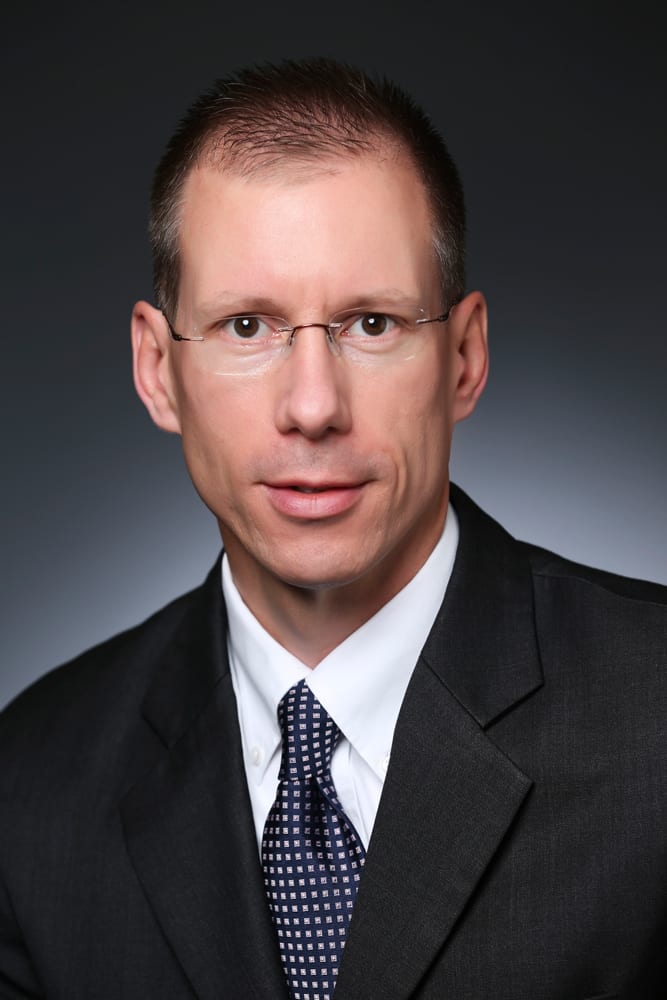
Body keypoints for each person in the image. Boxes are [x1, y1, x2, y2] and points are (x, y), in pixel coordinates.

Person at [0, 58, 664, 1000]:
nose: (312, 407)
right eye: (244, 327)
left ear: (464, 357)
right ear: (157, 370)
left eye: (371, 323)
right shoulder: (30, 789)